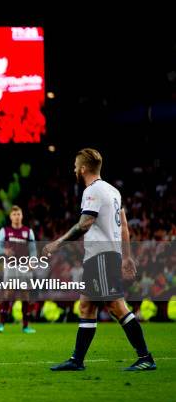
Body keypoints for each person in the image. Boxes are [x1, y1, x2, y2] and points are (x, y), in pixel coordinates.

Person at [44, 148, 156, 371]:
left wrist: (58, 242)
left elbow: (85, 224)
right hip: (102, 256)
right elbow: (123, 225)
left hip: (102, 257)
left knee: (116, 306)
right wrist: (127, 257)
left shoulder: (92, 191)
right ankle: (77, 360)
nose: (74, 169)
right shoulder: (113, 191)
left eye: (76, 165)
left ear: (84, 168)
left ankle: (146, 357)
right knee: (86, 306)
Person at [0, 205, 37, 334]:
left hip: (24, 266)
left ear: (22, 216)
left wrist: (32, 261)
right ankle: (1, 323)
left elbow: (33, 250)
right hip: (11, 266)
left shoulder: (28, 231)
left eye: (18, 214)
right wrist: (4, 251)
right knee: (8, 294)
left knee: (25, 295)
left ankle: (25, 326)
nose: (17, 217)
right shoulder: (4, 231)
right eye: (14, 215)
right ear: (10, 217)